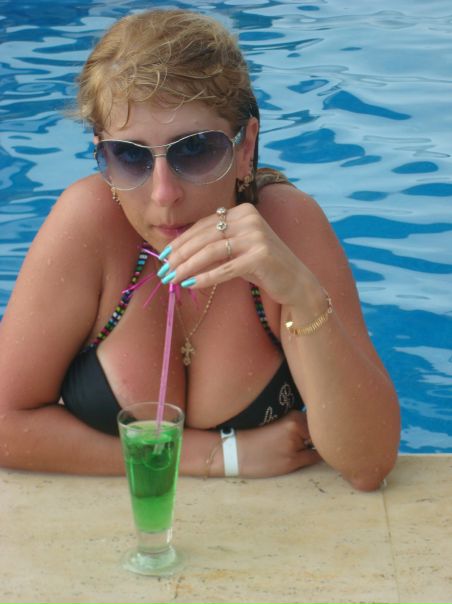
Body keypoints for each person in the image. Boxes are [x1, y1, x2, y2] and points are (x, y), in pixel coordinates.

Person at [0, 8, 400, 490]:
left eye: (195, 150)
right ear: (101, 150)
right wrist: (216, 456)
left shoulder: (288, 228)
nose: (163, 193)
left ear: (245, 148)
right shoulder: (90, 223)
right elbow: (5, 424)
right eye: (129, 156)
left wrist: (303, 297)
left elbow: (368, 463)